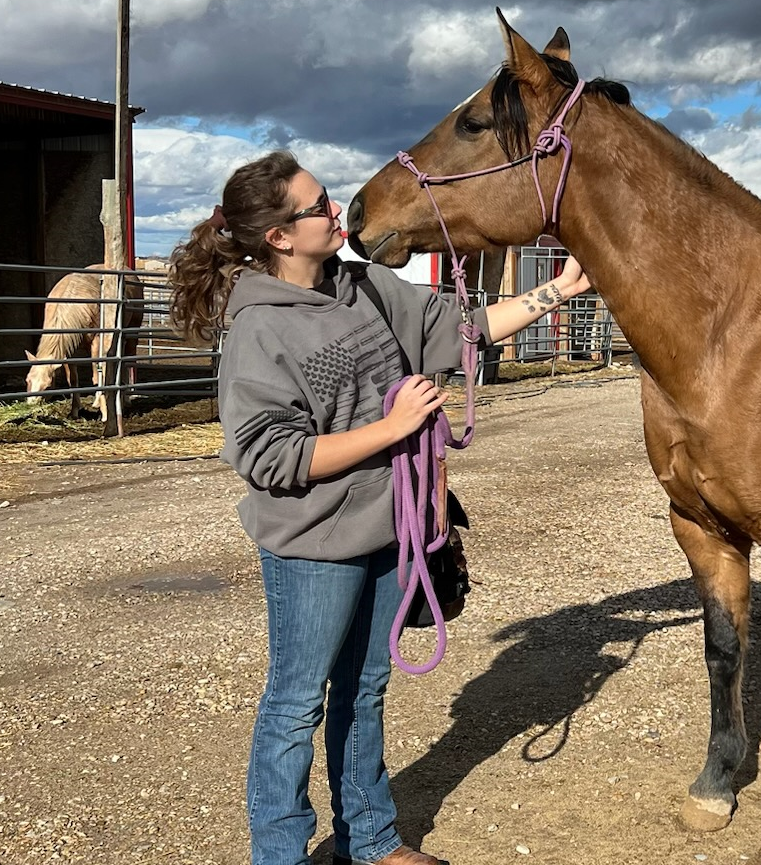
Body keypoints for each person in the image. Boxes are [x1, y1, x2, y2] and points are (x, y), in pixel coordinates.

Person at [168, 150, 591, 865]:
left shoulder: (360, 284)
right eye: (319, 206)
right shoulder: (260, 329)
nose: (338, 210)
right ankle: (279, 853)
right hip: (314, 545)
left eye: (327, 196)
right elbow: (269, 456)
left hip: (393, 525)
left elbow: (457, 325)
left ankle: (369, 839)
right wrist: (392, 429)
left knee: (364, 689)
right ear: (278, 236)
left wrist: (559, 289)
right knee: (296, 702)